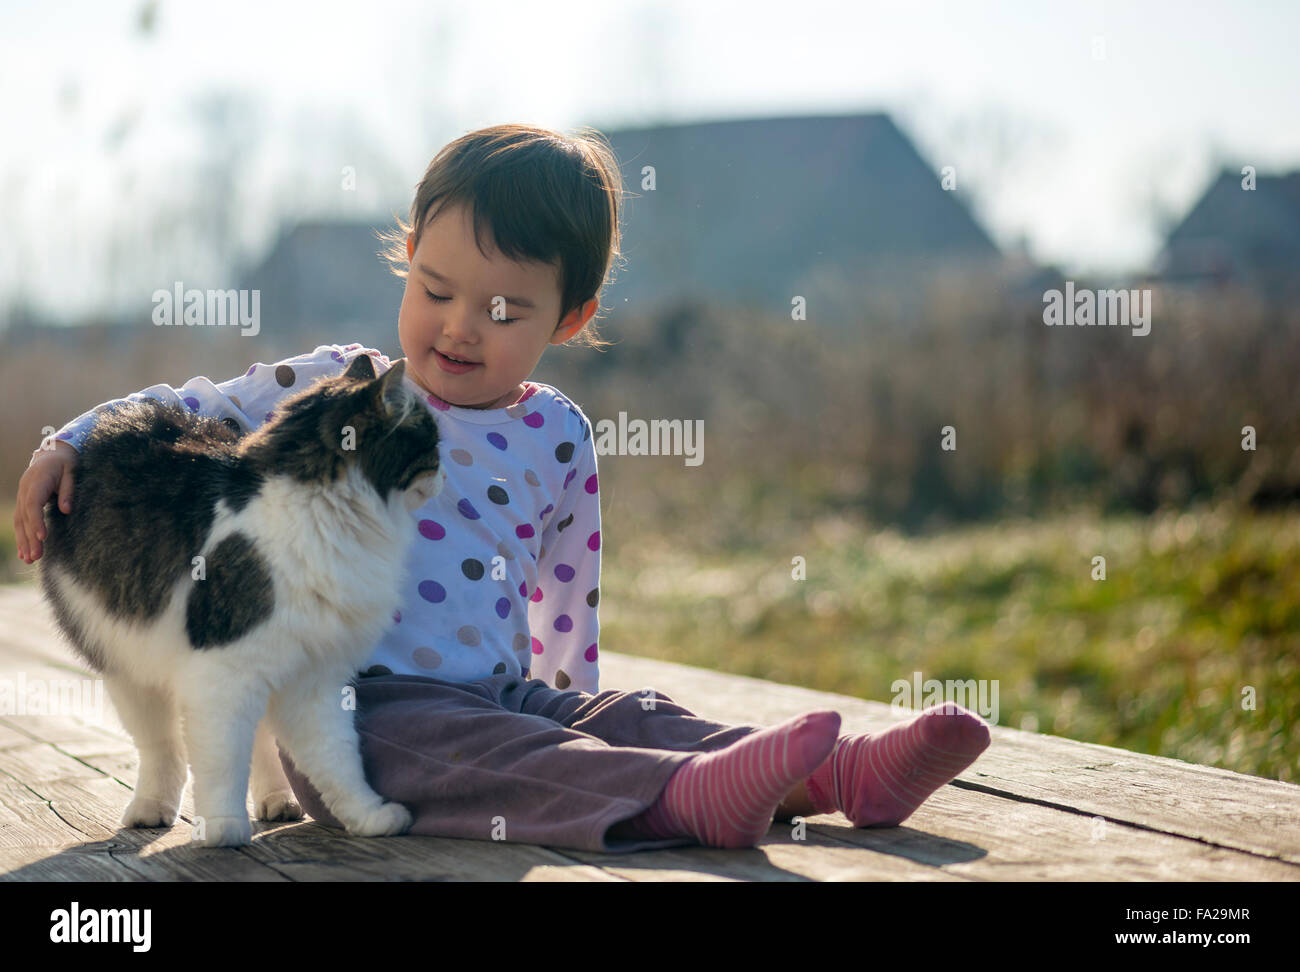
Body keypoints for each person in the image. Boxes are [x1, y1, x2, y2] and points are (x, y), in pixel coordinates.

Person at [13, 124, 991, 853]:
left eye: (503, 309)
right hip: (369, 711)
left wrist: (574, 701)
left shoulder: (556, 431)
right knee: (496, 755)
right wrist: (70, 439)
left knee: (619, 718)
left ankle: (839, 770)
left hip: (504, 688)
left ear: (571, 316)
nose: (457, 328)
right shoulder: (339, 385)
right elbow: (192, 400)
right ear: (406, 261)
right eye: (434, 290)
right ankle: (677, 798)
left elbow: (569, 587)